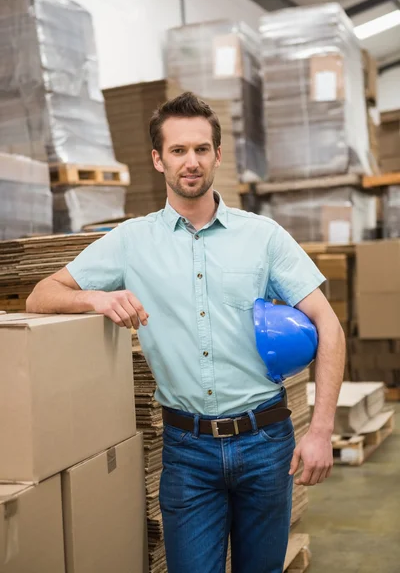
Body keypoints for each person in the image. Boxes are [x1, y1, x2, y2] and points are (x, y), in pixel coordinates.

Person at [27, 92, 345, 573]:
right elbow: (39, 295)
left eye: (201, 149)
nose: (190, 162)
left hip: (265, 441)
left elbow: (329, 324)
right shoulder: (131, 241)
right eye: (178, 151)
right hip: (187, 451)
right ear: (158, 159)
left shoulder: (263, 236)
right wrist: (93, 298)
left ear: (217, 155)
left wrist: (320, 430)